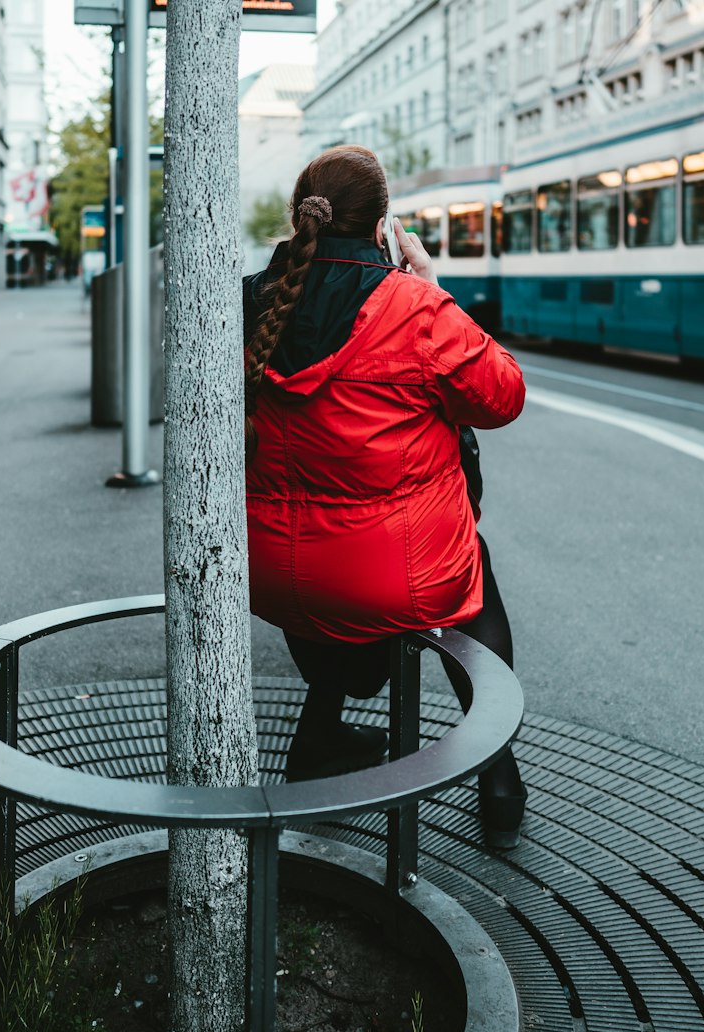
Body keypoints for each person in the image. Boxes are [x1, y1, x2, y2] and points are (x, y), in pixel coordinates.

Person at [242, 144, 529, 847]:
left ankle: (319, 744)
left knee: (330, 558)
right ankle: (498, 771)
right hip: (393, 577)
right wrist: (432, 286)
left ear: (301, 218)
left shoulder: (255, 297)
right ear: (382, 228)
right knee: (469, 567)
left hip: (271, 575)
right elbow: (503, 397)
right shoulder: (414, 306)